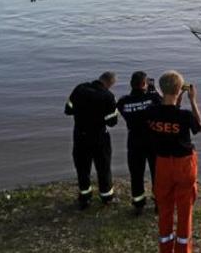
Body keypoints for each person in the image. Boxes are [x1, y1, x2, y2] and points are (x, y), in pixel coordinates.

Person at [145, 70, 201, 253]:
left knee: (165, 207)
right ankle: (182, 249)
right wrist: (192, 100)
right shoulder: (184, 116)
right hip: (184, 164)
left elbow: (167, 115)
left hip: (162, 163)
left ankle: (165, 247)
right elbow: (199, 126)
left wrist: (176, 100)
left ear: (161, 90)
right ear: (180, 90)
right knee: (185, 210)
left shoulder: (151, 112)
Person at [64, 71, 118, 209]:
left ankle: (85, 198)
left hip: (80, 136)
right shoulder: (108, 96)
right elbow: (112, 122)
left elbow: (68, 110)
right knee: (103, 168)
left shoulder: (80, 88)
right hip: (99, 138)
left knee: (82, 168)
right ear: (110, 83)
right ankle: (106, 198)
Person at [117, 71, 162, 214]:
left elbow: (125, 111)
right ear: (144, 84)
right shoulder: (153, 97)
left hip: (134, 140)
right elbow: (164, 108)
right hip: (153, 140)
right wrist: (154, 91)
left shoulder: (123, 101)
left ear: (131, 84)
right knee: (157, 173)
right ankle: (159, 204)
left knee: (136, 173)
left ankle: (138, 204)